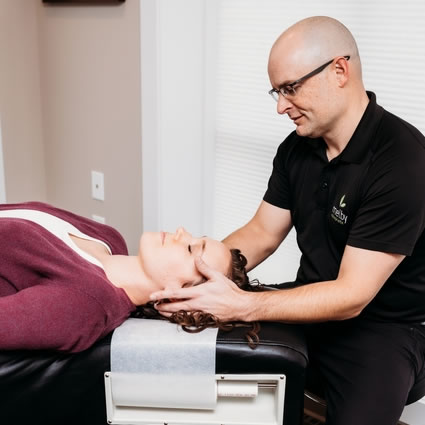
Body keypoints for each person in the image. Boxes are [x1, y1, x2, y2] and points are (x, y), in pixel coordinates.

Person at [150, 16, 425, 425]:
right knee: (195, 349)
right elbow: (261, 233)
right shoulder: (298, 148)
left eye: (290, 88)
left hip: (385, 329)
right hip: (308, 301)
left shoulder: (402, 161)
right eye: (276, 92)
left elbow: (352, 295)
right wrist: (199, 275)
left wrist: (243, 304)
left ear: (339, 71)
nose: (281, 106)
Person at [0, 201, 250, 353]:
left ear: (180, 295)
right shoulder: (108, 238)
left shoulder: (83, 304)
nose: (181, 232)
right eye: (196, 238)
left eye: (190, 249)